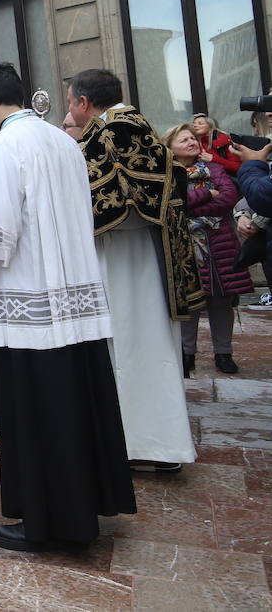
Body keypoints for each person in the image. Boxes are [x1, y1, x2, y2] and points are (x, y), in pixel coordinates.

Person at [0, 62, 134, 552]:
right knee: (77, 410)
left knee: (41, 419)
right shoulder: (63, 142)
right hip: (73, 300)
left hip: (30, 306)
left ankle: (48, 523)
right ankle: (86, 506)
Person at [68, 68, 201, 473]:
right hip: (141, 256)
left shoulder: (111, 133)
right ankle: (157, 447)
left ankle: (145, 447)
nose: (71, 110)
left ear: (84, 103)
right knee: (147, 349)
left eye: (72, 102)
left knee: (130, 350)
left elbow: (120, 204)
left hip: (124, 258)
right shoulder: (137, 125)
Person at [166, 124, 250, 375]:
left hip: (220, 244)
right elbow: (174, 202)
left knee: (222, 301)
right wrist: (206, 194)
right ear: (170, 147)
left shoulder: (214, 169)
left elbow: (228, 197)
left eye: (193, 138)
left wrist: (193, 205)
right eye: (184, 140)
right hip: (186, 245)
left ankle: (223, 353)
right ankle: (187, 353)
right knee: (189, 302)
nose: (191, 142)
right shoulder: (168, 174)